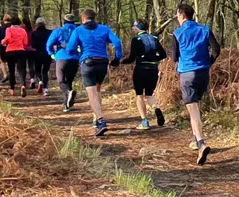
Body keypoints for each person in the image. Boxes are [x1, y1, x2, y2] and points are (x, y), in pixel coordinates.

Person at [166, 3, 218, 164]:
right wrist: (208, 62)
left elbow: (174, 58)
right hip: (203, 73)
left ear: (181, 15)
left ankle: (201, 143)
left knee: (193, 109)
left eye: (177, 15)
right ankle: (196, 138)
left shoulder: (177, 33)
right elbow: (216, 49)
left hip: (187, 73)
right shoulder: (205, 30)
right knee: (197, 105)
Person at [64, 8, 123, 137]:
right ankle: (96, 119)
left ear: (83, 19)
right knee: (97, 90)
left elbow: (70, 48)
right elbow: (117, 42)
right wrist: (117, 58)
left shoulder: (78, 30)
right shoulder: (104, 28)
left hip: (88, 63)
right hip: (102, 63)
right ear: (94, 18)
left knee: (91, 94)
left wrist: (75, 53)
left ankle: (101, 121)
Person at [126, 19, 168, 130]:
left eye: (134, 26)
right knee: (149, 94)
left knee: (139, 95)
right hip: (153, 69)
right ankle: (156, 108)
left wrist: (121, 62)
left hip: (140, 69)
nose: (133, 28)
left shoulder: (136, 40)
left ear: (138, 27)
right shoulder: (154, 38)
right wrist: (154, 59)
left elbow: (131, 58)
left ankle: (144, 122)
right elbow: (163, 54)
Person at [47, 13, 80, 108]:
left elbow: (49, 44)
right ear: (74, 22)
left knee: (61, 81)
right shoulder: (78, 31)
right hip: (74, 59)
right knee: (69, 81)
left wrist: (52, 54)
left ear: (64, 21)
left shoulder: (58, 31)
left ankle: (68, 94)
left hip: (61, 58)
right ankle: (67, 105)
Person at [2, 16, 33, 94]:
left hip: (10, 51)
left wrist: (3, 42)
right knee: (22, 69)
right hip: (21, 51)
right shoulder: (23, 30)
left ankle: (12, 88)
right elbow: (25, 43)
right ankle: (23, 85)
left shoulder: (8, 29)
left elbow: (8, 37)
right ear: (19, 23)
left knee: (11, 70)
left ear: (11, 23)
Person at [28, 18, 52, 93]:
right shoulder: (50, 32)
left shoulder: (34, 33)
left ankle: (40, 81)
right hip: (47, 54)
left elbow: (33, 45)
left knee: (37, 70)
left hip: (37, 54)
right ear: (45, 24)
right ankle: (45, 89)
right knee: (45, 71)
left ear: (36, 24)